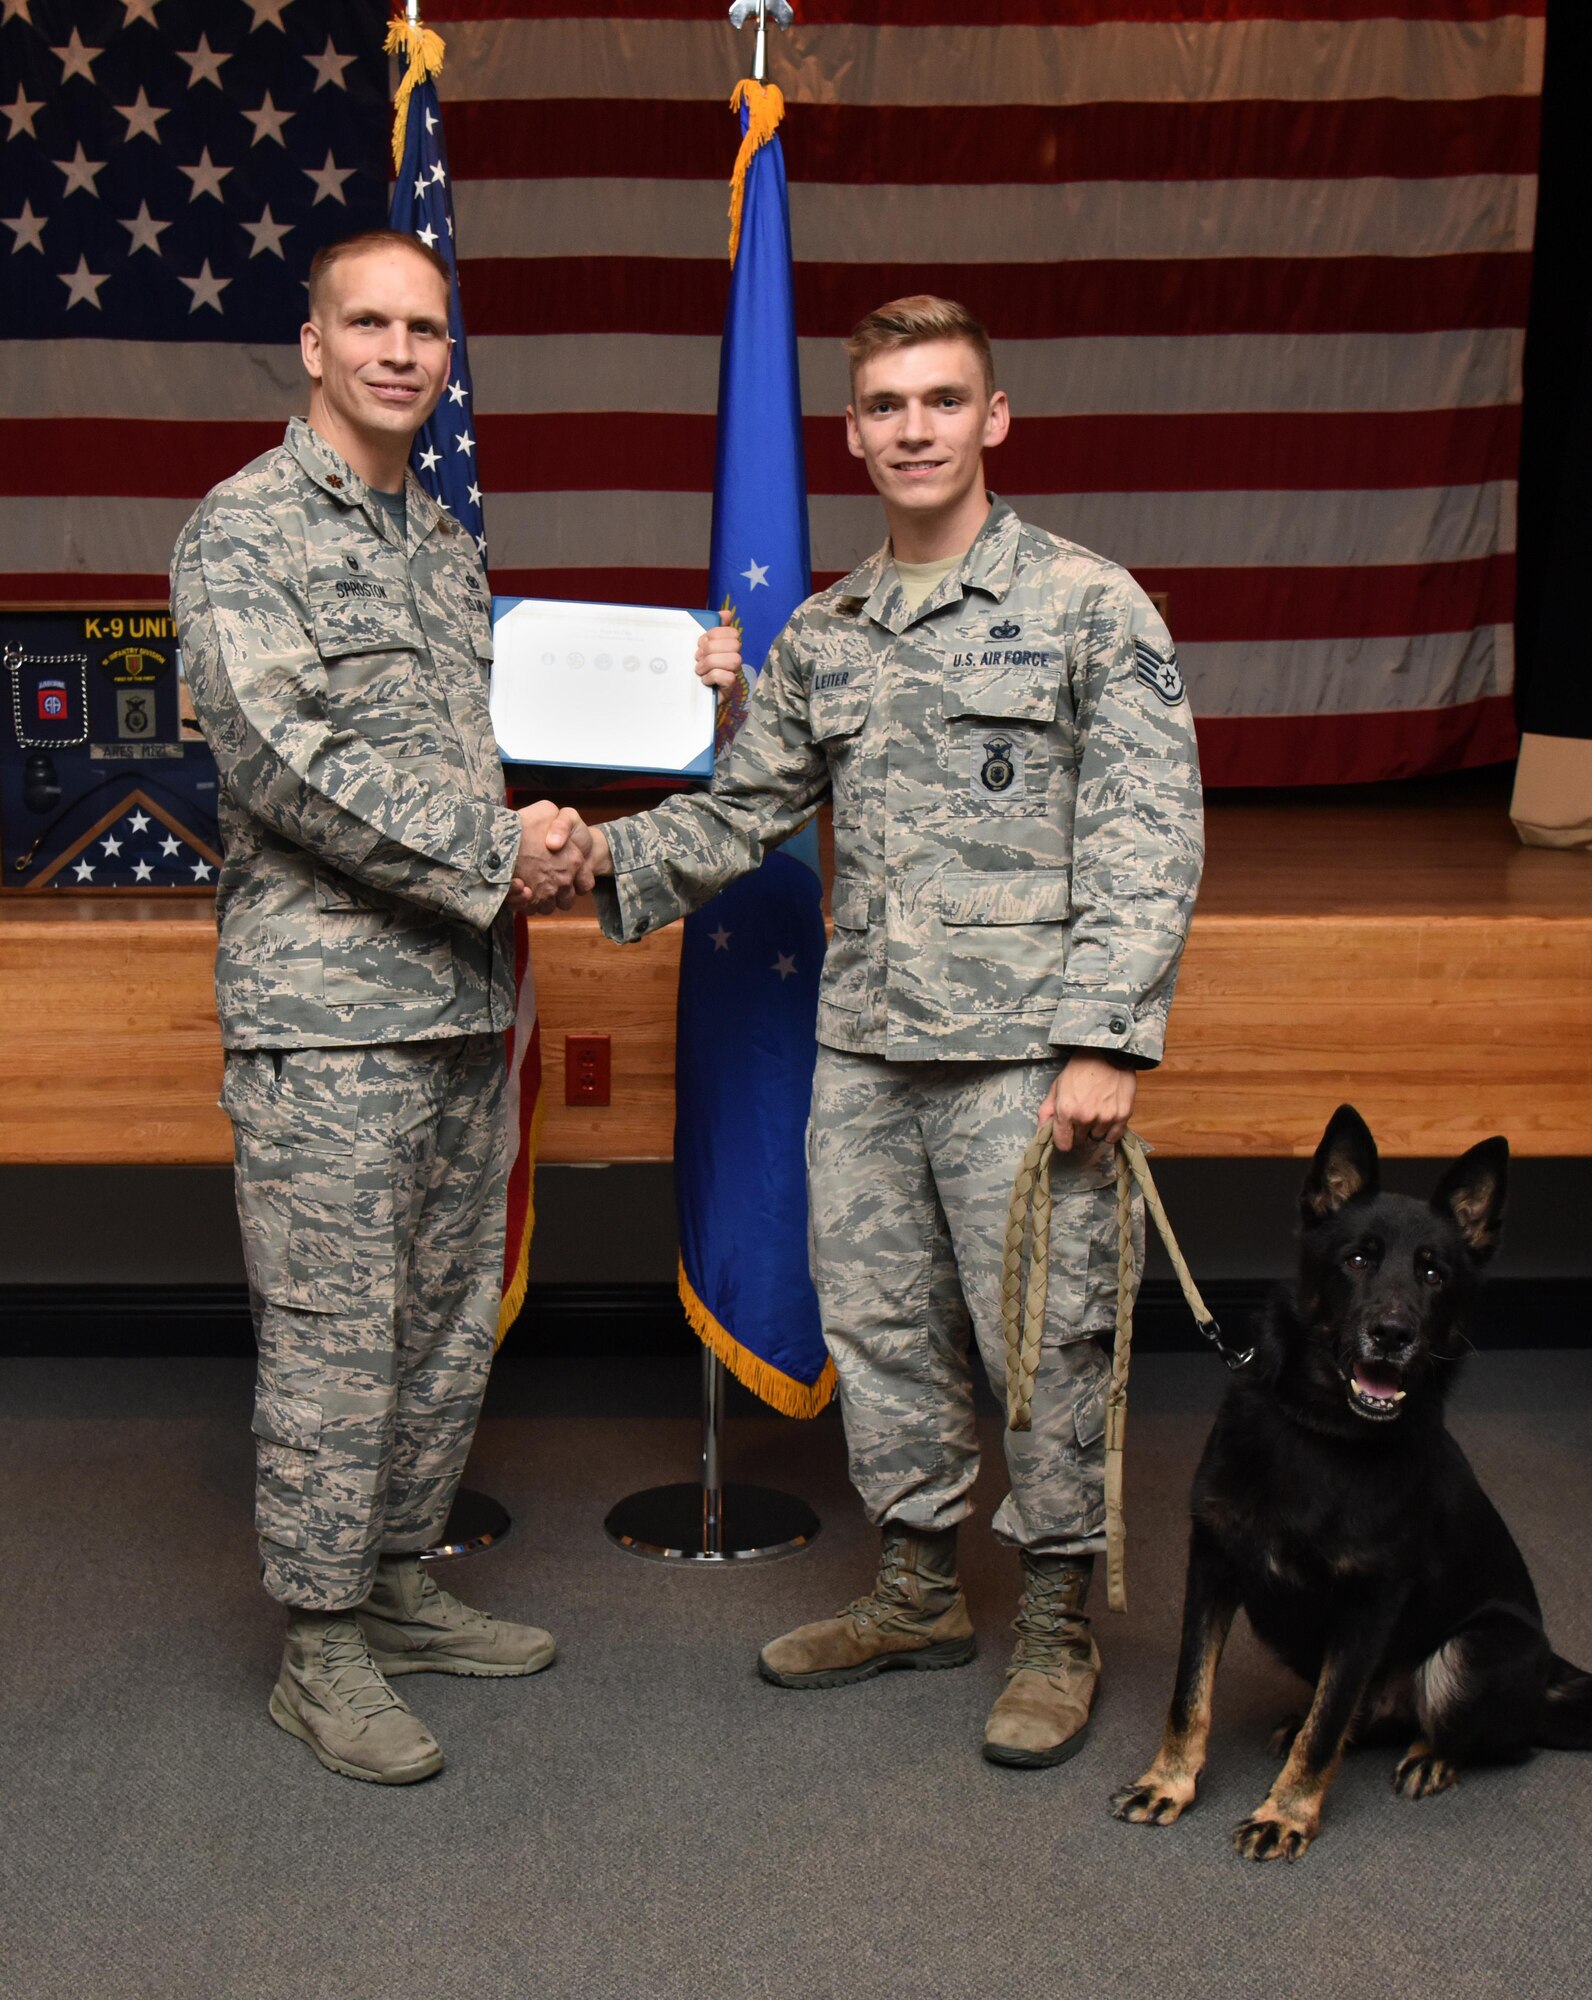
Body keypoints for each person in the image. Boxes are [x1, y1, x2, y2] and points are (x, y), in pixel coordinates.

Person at [579, 296, 1203, 1766]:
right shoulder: (830, 634)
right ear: (851, 432)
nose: (912, 429)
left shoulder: (1087, 605)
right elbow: (747, 813)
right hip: (864, 1053)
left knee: (1049, 1347)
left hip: (1027, 1066)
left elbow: (1149, 831)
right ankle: (920, 1591)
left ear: (994, 419)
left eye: (941, 401)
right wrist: (586, 863)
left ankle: (1055, 1626)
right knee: (882, 1332)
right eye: (884, 407)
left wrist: (1107, 1040)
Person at [171, 228, 591, 1785]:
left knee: (435, 1333)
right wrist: (507, 848)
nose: (402, 351)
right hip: (328, 1021)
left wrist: (689, 693)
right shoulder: (243, 533)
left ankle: (403, 1584)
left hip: (461, 1004)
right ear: (313, 343)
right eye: (370, 323)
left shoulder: (440, 544)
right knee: (337, 1341)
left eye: (425, 326)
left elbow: (484, 738)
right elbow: (288, 768)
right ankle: (320, 1645)